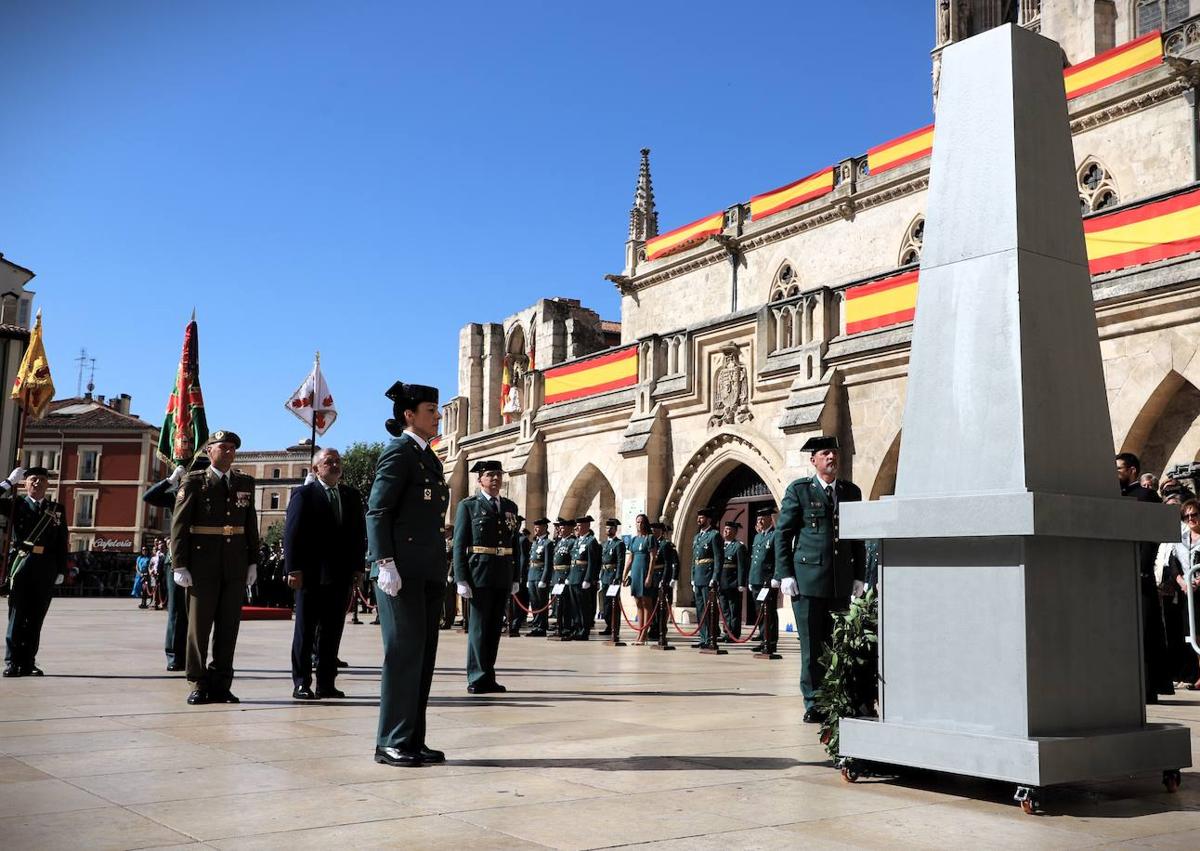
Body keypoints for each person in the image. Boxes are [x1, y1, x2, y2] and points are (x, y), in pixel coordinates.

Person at [367, 381, 449, 767]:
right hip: (399, 571)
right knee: (403, 654)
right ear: (409, 415)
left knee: (423, 655)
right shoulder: (398, 453)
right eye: (431, 409)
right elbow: (378, 511)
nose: (438, 415)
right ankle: (391, 741)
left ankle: (413, 738)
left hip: (427, 569)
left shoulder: (429, 458)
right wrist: (384, 562)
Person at [776, 435, 865, 723]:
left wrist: (859, 575)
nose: (832, 458)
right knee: (812, 646)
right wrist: (785, 574)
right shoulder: (800, 491)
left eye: (834, 453)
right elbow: (784, 534)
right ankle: (814, 701)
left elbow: (857, 537)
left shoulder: (851, 492)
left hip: (840, 580)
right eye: (825, 453)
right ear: (813, 459)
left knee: (837, 643)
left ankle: (835, 696)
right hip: (808, 580)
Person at [170, 430, 259, 705]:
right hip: (202, 563)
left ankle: (222, 683)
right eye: (224, 447)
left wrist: (253, 561)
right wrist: (180, 564)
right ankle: (198, 682)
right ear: (210, 451)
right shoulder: (195, 481)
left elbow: (250, 525)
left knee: (228, 627)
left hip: (234, 564)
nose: (230, 452)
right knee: (199, 627)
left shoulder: (244, 482)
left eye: (233, 448)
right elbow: (180, 526)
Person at [284, 448, 366, 701]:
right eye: (328, 461)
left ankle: (326, 683)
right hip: (310, 575)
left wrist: (358, 568)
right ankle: (301, 683)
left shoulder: (351, 496)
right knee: (306, 631)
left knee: (332, 631)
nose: (334, 465)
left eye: (338, 461)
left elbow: (357, 535)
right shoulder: (304, 494)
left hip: (340, 575)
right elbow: (292, 534)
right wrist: (293, 568)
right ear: (315, 469)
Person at [453, 459, 520, 692]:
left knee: (494, 629)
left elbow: (515, 543)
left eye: (498, 475)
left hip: (502, 572)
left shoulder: (510, 506)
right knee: (479, 628)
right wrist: (461, 578)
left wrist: (515, 576)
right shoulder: (468, 506)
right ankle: (476, 676)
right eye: (490, 475)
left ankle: (488, 675)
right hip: (478, 574)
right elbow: (459, 543)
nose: (495, 479)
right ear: (479, 479)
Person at [1117, 451, 1174, 702]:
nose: (1114, 473)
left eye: (1119, 469)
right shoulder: (1117, 496)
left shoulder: (1146, 496)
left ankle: (1149, 687)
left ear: (1132, 471)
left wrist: (1141, 566)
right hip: (1117, 575)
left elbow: (1149, 538)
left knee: (1146, 631)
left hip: (1139, 573)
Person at [2, 466, 68, 677]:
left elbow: (61, 541)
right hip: (21, 564)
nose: (37, 483)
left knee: (36, 617)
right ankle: (12, 661)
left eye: (41, 479)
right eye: (32, 480)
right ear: (25, 483)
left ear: (48, 484)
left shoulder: (57, 509)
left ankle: (28, 661)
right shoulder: (16, 504)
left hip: (46, 566)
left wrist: (61, 568)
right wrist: (8, 482)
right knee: (17, 615)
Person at [144, 460, 206, 671]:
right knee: (177, 612)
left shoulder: (210, 493)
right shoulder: (177, 494)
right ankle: (174, 656)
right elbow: (149, 497)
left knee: (200, 613)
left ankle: (195, 656)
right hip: (177, 560)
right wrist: (170, 480)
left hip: (203, 559)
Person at [1165, 498, 1200, 690]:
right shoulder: (1181, 537)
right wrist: (1181, 581)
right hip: (1187, 592)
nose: (1191, 518)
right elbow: (1173, 563)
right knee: (1193, 635)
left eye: (1194, 514)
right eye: (1186, 516)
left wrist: (1197, 581)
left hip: (1198, 589)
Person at [748, 506, 780, 656]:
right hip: (756, 579)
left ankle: (771, 642)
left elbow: (778, 558)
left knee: (770, 612)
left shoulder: (774, 536)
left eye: (763, 518)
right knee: (760, 611)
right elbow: (754, 559)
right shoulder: (758, 537)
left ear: (769, 519)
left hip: (767, 581)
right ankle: (763, 639)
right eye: (758, 518)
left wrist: (776, 577)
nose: (759, 521)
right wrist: (750, 579)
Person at [622, 514, 656, 644]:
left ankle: (644, 633)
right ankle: (640, 631)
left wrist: (649, 576)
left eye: (641, 522)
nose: (639, 525)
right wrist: (624, 574)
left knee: (647, 603)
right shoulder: (634, 539)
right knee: (638, 603)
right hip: (635, 573)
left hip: (644, 572)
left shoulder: (650, 538)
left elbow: (653, 558)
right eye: (637, 522)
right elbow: (630, 558)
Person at [567, 516, 601, 640]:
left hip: (582, 577)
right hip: (574, 576)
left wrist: (588, 579)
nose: (577, 528)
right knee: (575, 606)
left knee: (583, 606)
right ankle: (577, 628)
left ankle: (584, 630)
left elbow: (592, 562)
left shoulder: (591, 541)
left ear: (587, 526)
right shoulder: (577, 540)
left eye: (580, 525)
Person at [719, 520, 748, 640]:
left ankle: (734, 633)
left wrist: (741, 583)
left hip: (733, 583)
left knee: (733, 610)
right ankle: (726, 631)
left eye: (729, 529)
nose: (726, 531)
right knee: (725, 609)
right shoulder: (720, 546)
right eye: (725, 529)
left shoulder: (738, 546)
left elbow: (742, 566)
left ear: (735, 532)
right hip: (721, 582)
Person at [526, 518, 552, 637]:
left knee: (541, 603)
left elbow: (548, 563)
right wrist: (528, 577)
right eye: (535, 527)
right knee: (534, 603)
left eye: (538, 527)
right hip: (532, 575)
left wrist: (544, 579)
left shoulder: (548, 543)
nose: (535, 529)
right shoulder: (535, 543)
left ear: (544, 528)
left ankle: (541, 626)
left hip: (540, 576)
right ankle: (536, 625)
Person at [598, 519, 625, 636]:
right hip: (604, 575)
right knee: (606, 604)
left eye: (610, 528)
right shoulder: (604, 544)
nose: (608, 530)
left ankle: (615, 627)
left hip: (613, 576)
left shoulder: (619, 544)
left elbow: (620, 561)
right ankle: (609, 625)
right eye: (607, 528)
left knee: (613, 603)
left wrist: (618, 576)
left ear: (615, 529)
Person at [550, 517, 575, 638]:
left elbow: (572, 561)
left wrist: (569, 576)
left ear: (570, 528)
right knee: (558, 603)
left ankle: (567, 626)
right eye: (560, 527)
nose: (560, 529)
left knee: (566, 604)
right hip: (557, 576)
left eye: (563, 527)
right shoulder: (560, 542)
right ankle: (559, 625)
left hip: (565, 575)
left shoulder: (572, 542)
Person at [440, 525, 457, 629]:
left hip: (449, 572)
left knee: (448, 599)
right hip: (441, 571)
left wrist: (450, 574)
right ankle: (442, 619)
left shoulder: (454, 541)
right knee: (442, 597)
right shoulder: (443, 541)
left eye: (446, 531)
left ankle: (448, 620)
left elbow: (454, 559)